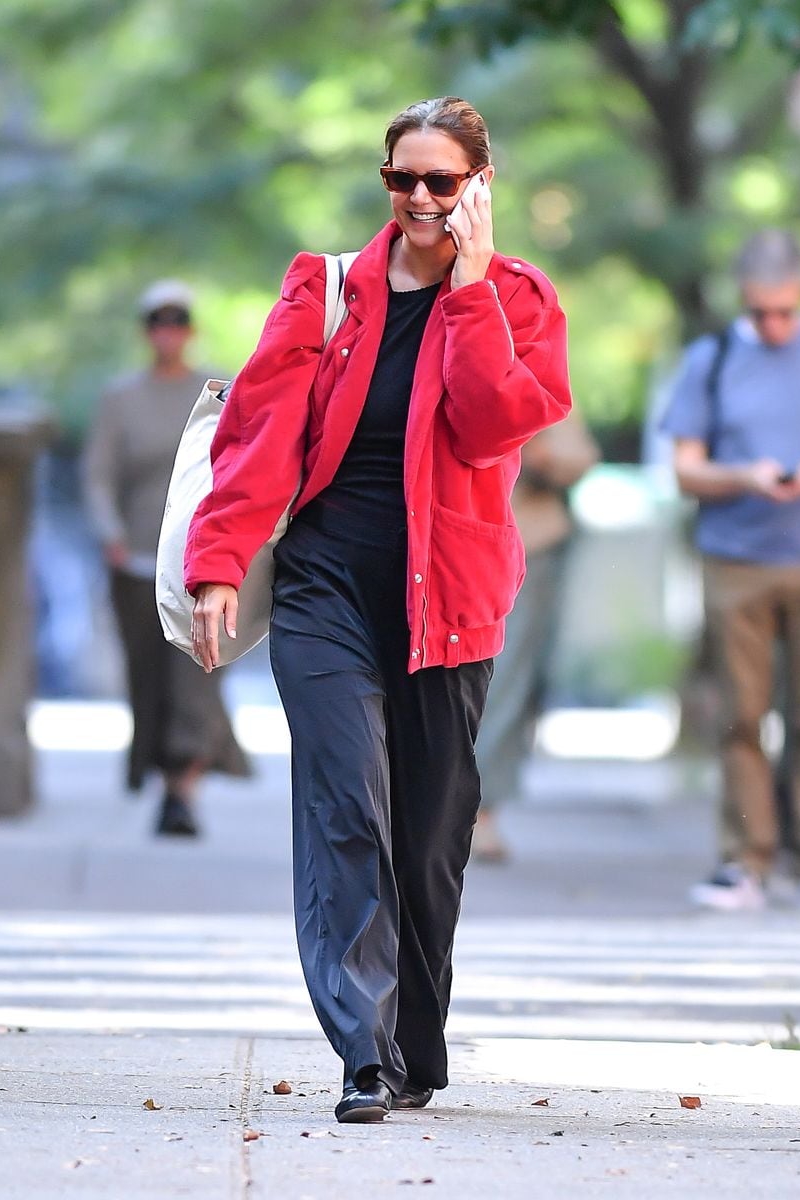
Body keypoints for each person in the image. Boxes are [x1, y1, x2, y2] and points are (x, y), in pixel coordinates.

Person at [185, 97, 572, 1122]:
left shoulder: (520, 301)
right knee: (343, 803)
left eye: (440, 182)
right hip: (324, 588)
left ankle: (410, 1048)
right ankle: (360, 1052)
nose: (416, 199)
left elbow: (494, 427)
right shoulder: (325, 292)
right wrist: (220, 561)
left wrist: (473, 293)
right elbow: (258, 437)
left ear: (477, 188)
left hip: (448, 601)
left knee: (429, 834)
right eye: (400, 178)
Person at [661, 229, 800, 913]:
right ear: (742, 297)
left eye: (783, 311)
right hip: (736, 558)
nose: (772, 325)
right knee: (742, 716)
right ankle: (744, 861)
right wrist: (743, 476)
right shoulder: (713, 358)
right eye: (760, 312)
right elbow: (683, 467)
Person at [84, 281, 250, 838]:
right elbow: (99, 475)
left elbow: (240, 463)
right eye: (158, 322)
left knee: (197, 672)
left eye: (178, 322)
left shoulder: (216, 391)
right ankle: (162, 775)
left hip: (199, 558)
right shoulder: (120, 399)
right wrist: (108, 530)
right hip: (135, 557)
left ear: (191, 329)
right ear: (146, 331)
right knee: (149, 674)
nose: (168, 333)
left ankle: (185, 783)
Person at [473, 410, 598, 862]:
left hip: (523, 545)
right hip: (433, 543)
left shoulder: (531, 370)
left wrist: (524, 443)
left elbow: (576, 458)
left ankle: (480, 811)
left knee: (505, 683)